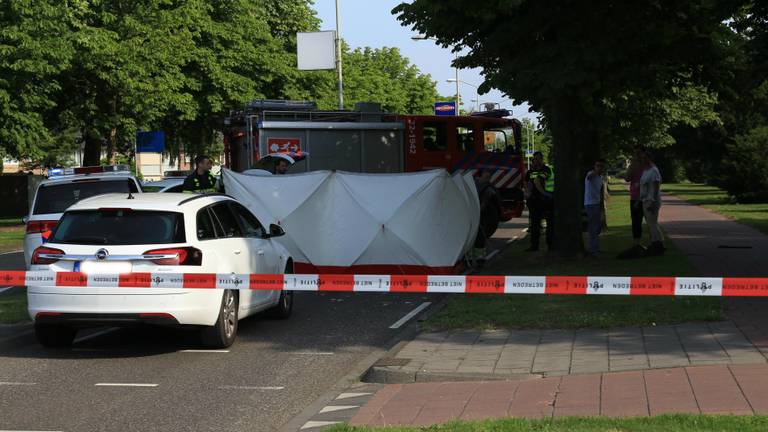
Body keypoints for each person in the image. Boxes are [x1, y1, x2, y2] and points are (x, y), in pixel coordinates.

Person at [525, 151, 554, 251]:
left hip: (545, 200)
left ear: (541, 159)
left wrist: (544, 194)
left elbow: (537, 181)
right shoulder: (530, 171)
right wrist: (528, 194)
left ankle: (550, 244)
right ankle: (534, 245)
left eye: (537, 159)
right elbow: (528, 183)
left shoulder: (545, 169)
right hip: (534, 201)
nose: (535, 161)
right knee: (534, 224)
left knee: (549, 223)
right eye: (534, 159)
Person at [638, 150, 665, 255]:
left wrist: (653, 201)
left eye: (645, 158)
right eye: (642, 158)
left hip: (652, 200)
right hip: (646, 200)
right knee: (651, 224)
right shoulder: (646, 170)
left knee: (652, 224)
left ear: (649, 158)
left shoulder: (654, 170)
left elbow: (656, 185)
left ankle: (658, 244)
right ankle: (656, 243)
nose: (643, 160)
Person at [584, 159, 606, 256]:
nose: (599, 168)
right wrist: (596, 172)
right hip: (590, 203)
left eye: (601, 166)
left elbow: (601, 192)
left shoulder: (600, 178)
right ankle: (592, 249)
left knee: (597, 227)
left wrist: (602, 206)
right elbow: (589, 177)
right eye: (597, 166)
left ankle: (595, 247)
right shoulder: (591, 174)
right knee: (593, 227)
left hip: (596, 203)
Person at [624, 145, 645, 245]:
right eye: (635, 153)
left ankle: (655, 243)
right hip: (635, 196)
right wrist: (631, 166)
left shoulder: (647, 165)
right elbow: (627, 178)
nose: (637, 155)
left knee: (651, 222)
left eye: (639, 152)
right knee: (636, 221)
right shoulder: (633, 164)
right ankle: (637, 243)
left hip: (646, 197)